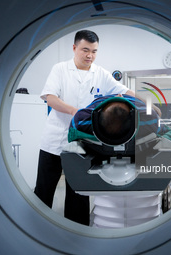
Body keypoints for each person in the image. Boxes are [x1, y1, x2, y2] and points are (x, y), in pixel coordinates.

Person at [34, 30, 135, 225]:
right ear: (74, 48)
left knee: (79, 192)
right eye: (85, 50)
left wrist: (148, 103)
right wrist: (74, 111)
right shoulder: (60, 69)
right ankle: (38, 228)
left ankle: (77, 233)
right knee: (44, 190)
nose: (90, 55)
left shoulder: (100, 74)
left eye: (94, 51)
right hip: (53, 141)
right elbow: (50, 98)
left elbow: (124, 91)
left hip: (82, 143)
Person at [67, 94, 171, 228]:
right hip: (104, 101)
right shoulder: (83, 119)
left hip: (134, 102)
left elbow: (169, 136)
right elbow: (72, 136)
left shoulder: (148, 118)